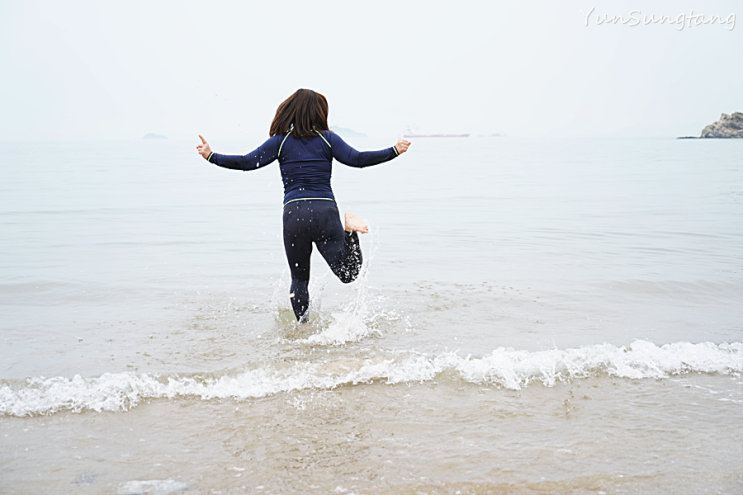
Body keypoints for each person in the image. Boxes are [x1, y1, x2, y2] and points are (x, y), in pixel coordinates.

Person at [196, 89, 410, 323]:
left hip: (294, 215)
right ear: (319, 113)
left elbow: (247, 162)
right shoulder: (328, 139)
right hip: (324, 212)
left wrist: (211, 156)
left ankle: (303, 330)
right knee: (348, 274)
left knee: (299, 279)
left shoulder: (280, 142)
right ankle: (349, 229)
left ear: (290, 110)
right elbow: (357, 159)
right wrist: (393, 151)